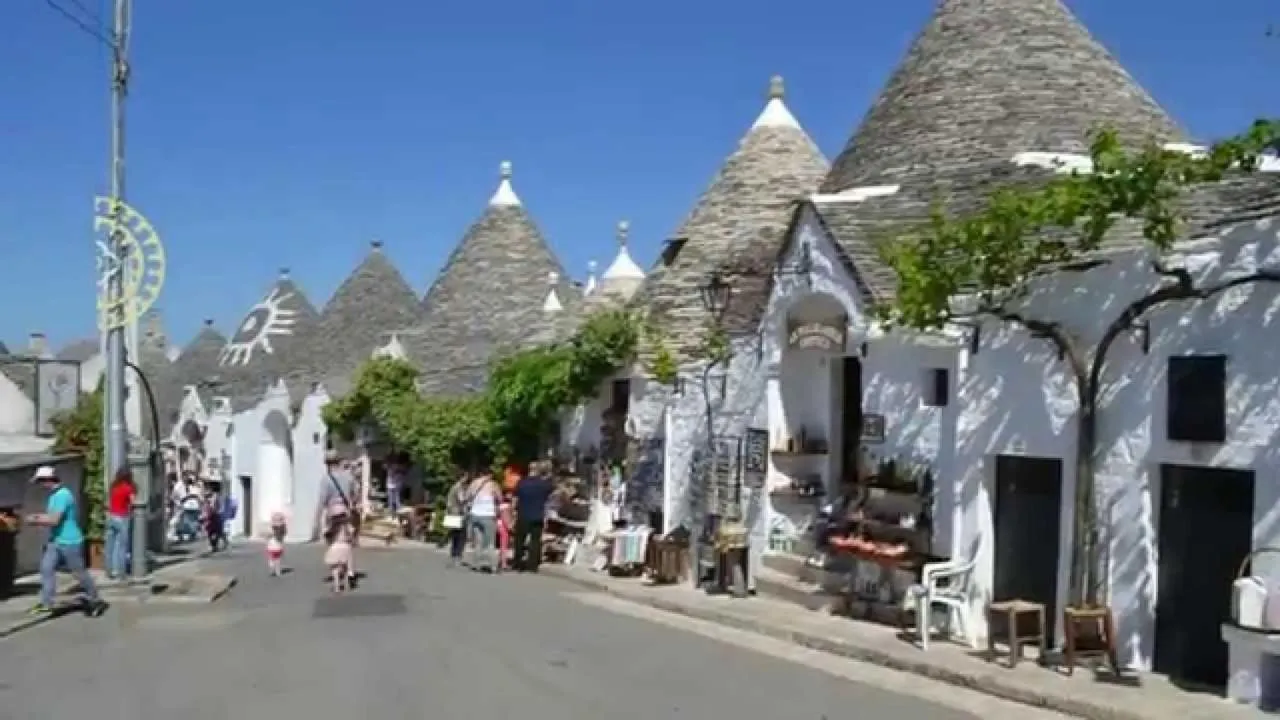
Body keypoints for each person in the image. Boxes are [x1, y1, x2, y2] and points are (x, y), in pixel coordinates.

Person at [26, 466, 106, 616]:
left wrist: (35, 519)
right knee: (46, 568)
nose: (40, 486)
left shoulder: (63, 495)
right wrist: (40, 519)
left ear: (48, 480)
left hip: (70, 541)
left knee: (78, 573)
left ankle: (94, 599)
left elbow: (55, 520)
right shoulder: (54, 496)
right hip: (55, 541)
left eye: (41, 482)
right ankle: (46, 602)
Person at [316, 449, 359, 587]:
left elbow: (322, 500)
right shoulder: (348, 476)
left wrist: (317, 519)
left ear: (327, 463)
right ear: (339, 461)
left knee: (334, 543)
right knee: (346, 542)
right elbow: (355, 493)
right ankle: (350, 571)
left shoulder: (326, 479)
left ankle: (337, 571)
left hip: (332, 513)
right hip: (346, 512)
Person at [512, 461, 556, 573]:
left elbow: (515, 499)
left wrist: (513, 512)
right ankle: (533, 565)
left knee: (519, 540)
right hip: (537, 515)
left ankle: (517, 563)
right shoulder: (543, 484)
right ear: (538, 471)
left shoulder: (521, 483)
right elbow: (553, 492)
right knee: (535, 541)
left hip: (523, 515)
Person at [465, 473, 502, 573]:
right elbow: (500, 498)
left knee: (478, 541)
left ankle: (476, 564)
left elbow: (467, 496)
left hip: (475, 514)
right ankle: (493, 566)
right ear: (489, 475)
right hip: (487, 515)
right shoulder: (493, 484)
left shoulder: (474, 483)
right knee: (490, 542)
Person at [104, 468, 136, 579]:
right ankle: (120, 571)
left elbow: (109, 502)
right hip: (122, 517)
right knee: (121, 547)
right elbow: (133, 503)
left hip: (111, 517)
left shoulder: (113, 487)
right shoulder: (128, 488)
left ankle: (109, 570)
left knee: (110, 546)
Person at [443, 474, 470, 566]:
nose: (467, 479)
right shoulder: (458, 487)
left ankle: (454, 554)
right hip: (457, 514)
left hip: (453, 513)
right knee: (461, 536)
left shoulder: (454, 487)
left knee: (455, 535)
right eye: (465, 477)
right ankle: (457, 555)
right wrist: (469, 498)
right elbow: (461, 499)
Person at [266, 511, 287, 577]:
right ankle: (278, 571)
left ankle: (272, 569)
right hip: (279, 548)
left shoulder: (273, 528)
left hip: (271, 548)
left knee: (271, 559)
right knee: (278, 559)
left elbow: (268, 535)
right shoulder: (283, 529)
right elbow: (284, 533)